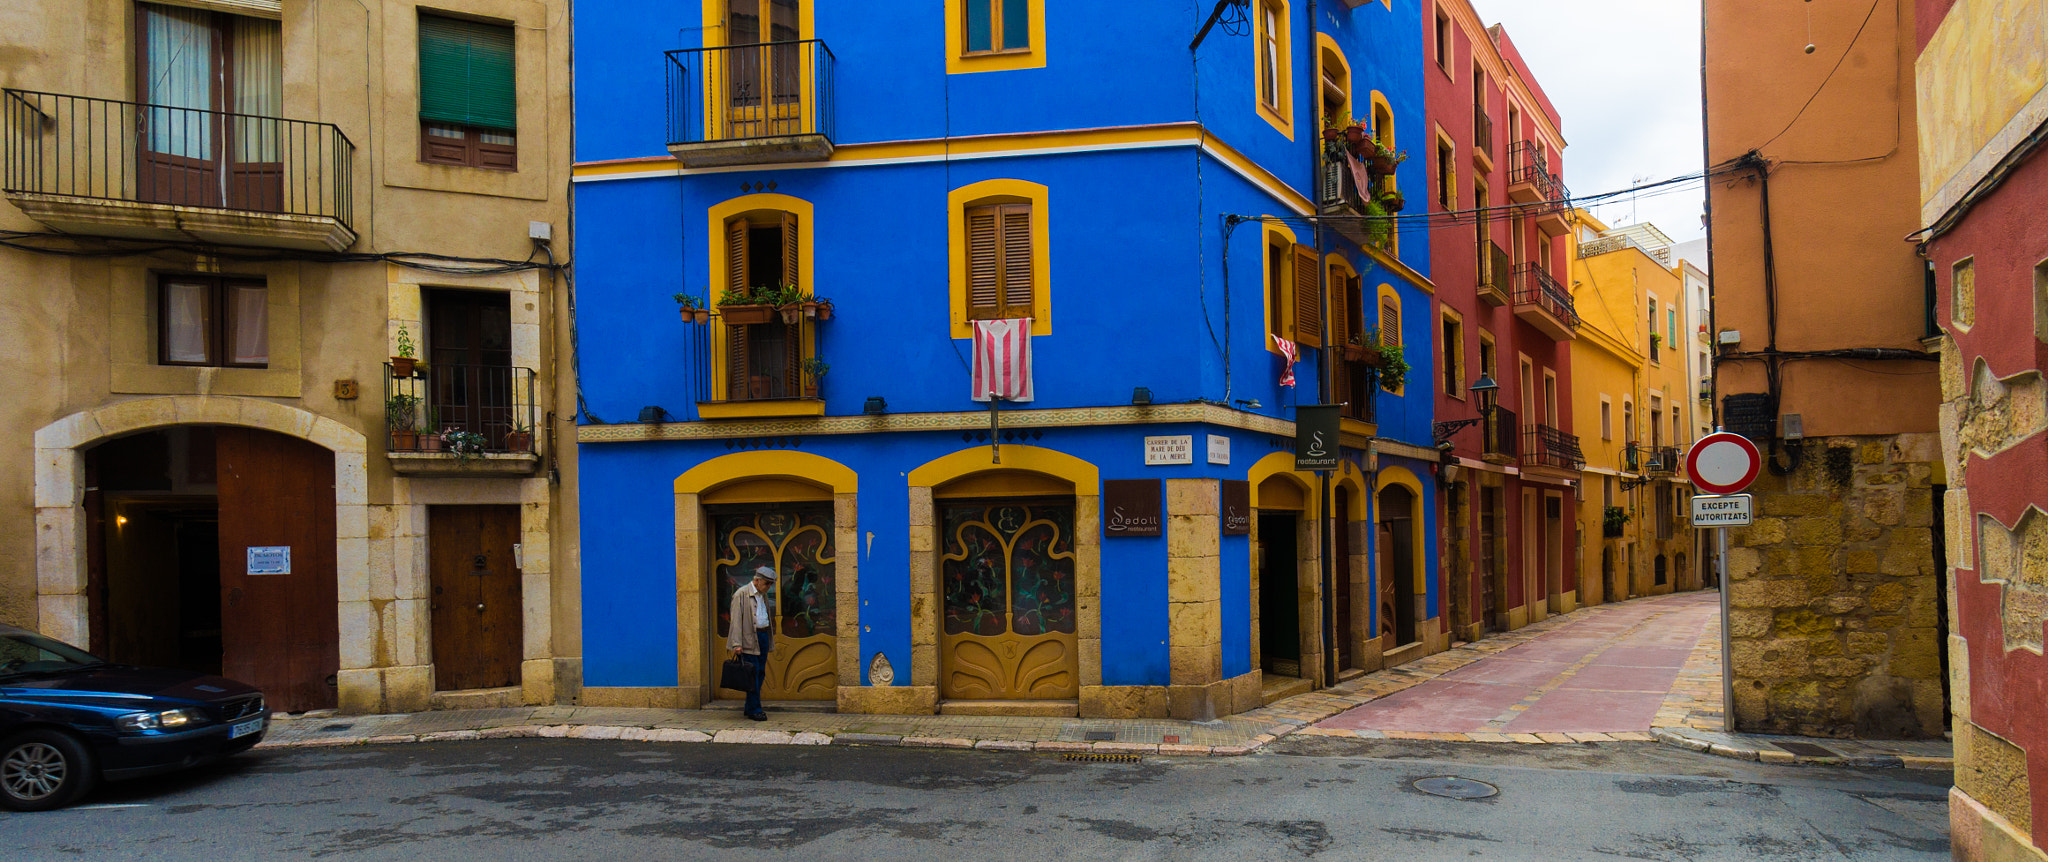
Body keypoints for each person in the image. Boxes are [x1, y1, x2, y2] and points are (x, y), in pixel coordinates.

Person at [727, 566, 775, 721]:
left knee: (760, 672)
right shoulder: (741, 594)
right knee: (753, 674)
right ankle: (755, 709)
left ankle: (750, 706)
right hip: (748, 639)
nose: (769, 587)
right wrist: (736, 644)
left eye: (770, 584)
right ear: (757, 580)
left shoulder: (763, 595)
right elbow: (735, 621)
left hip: (762, 636)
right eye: (767, 583)